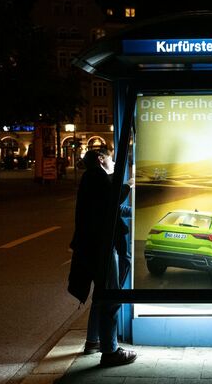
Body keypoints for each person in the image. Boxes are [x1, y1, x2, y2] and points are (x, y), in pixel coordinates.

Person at [67, 147, 137, 366]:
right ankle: (110, 351)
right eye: (111, 159)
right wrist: (130, 185)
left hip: (93, 246)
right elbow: (112, 202)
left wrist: (135, 210)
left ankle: (93, 341)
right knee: (110, 297)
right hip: (102, 247)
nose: (115, 163)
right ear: (100, 159)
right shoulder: (96, 176)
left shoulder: (92, 178)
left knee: (101, 295)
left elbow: (109, 207)